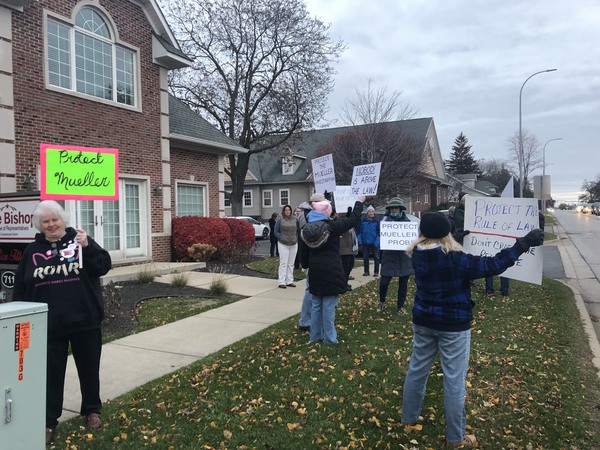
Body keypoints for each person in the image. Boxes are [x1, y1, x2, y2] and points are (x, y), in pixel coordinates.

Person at [401, 212, 544, 447]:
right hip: (453, 325)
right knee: (454, 380)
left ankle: (408, 418)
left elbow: (439, 255)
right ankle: (455, 437)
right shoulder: (456, 258)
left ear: (423, 233)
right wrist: (522, 244)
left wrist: (453, 238)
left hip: (424, 320)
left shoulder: (416, 253)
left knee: (417, 370)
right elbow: (493, 265)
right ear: (446, 232)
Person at [12, 200, 112, 445]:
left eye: (55, 219)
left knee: (89, 369)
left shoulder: (80, 240)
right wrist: (22, 319)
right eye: (46, 221)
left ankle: (92, 410)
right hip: (48, 325)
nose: (51, 224)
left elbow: (103, 266)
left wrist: (87, 247)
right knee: (50, 376)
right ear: (39, 225)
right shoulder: (31, 251)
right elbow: (21, 287)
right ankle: (48, 421)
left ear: (62, 220)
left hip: (84, 320)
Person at [300, 194, 365, 344]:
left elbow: (303, 252)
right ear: (326, 212)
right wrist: (358, 202)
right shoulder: (332, 227)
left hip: (315, 270)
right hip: (332, 269)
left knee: (316, 304)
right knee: (329, 306)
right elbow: (353, 220)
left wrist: (305, 266)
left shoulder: (305, 229)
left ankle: (314, 337)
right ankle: (330, 338)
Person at [377, 198, 414, 314]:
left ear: (401, 209)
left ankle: (400, 307)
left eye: (396, 208)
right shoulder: (385, 222)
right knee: (384, 283)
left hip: (404, 258)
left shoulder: (408, 223)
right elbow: (380, 235)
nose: (394, 210)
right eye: (392, 208)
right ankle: (382, 301)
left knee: (403, 284)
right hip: (389, 256)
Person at [274, 204, 299, 288]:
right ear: (283, 211)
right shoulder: (280, 220)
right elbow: (276, 231)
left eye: (289, 210)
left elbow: (298, 230)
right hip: (283, 244)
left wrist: (296, 238)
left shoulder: (295, 219)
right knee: (284, 263)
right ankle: (281, 281)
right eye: (286, 210)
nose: (287, 211)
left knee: (291, 263)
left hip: (293, 243)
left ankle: (289, 281)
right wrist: (281, 237)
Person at [358, 205, 380, 277]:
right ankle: (366, 271)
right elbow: (359, 231)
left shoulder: (377, 221)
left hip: (374, 243)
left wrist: (377, 242)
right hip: (365, 242)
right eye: (370, 211)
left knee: (376, 257)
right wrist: (360, 240)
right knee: (365, 257)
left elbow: (379, 232)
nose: (371, 213)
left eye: (372, 211)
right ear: (367, 212)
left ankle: (376, 272)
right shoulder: (363, 221)